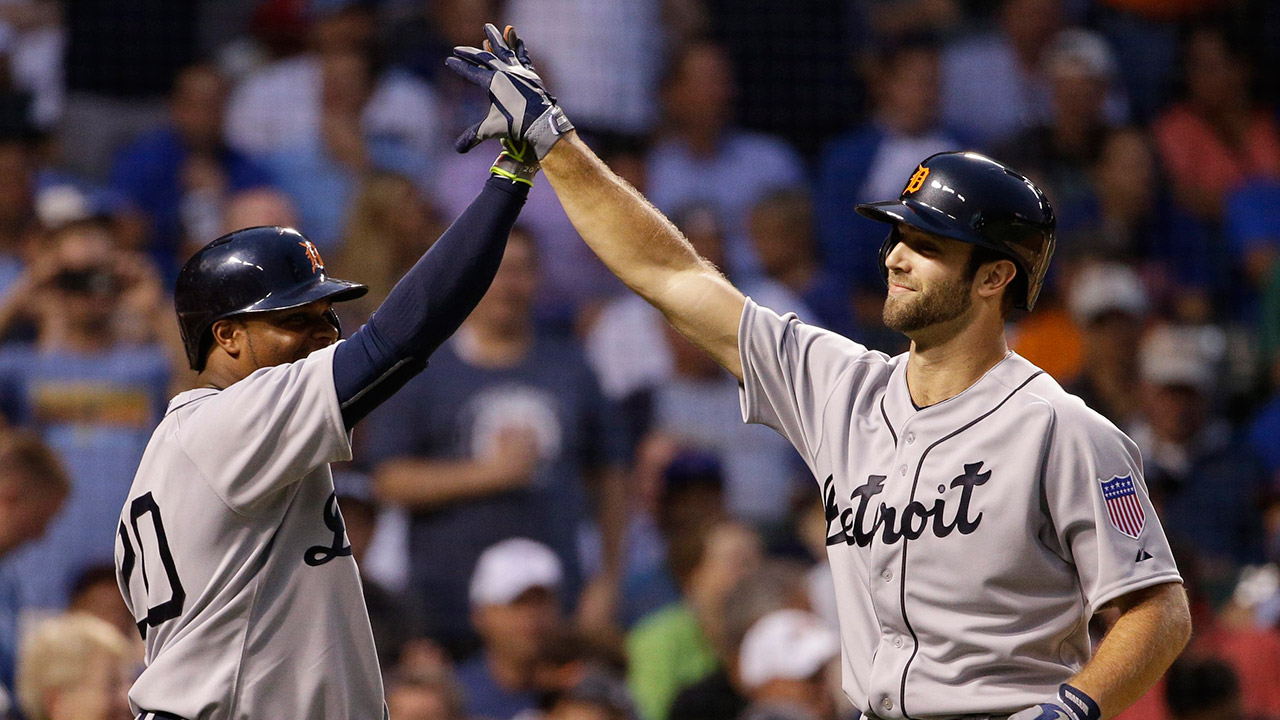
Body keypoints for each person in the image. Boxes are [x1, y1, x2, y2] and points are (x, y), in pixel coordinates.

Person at [447, 24, 1192, 720]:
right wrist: (555, 143)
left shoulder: (1061, 430)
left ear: (995, 277)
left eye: (927, 245)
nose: (895, 257)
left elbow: (1158, 609)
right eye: (898, 235)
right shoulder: (841, 385)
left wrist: (1071, 710)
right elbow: (668, 273)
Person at [112, 135, 535, 717]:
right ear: (225, 335)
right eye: (294, 320)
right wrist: (510, 178)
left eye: (326, 317)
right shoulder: (227, 424)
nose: (323, 335)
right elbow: (399, 337)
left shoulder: (205, 441)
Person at [458, 537, 566, 720]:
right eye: (517, 602)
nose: (532, 614)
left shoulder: (584, 690)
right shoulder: (456, 696)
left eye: (542, 601)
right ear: (479, 614)